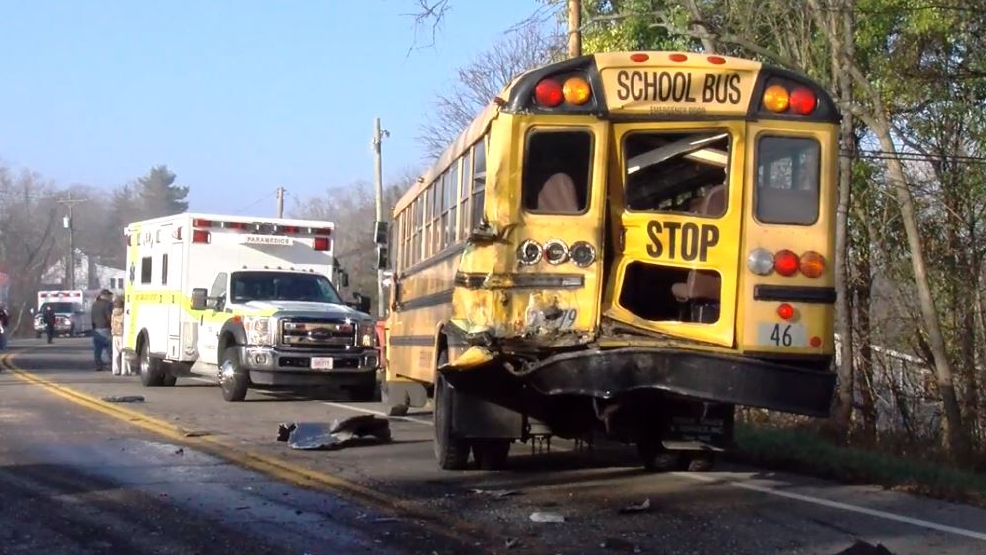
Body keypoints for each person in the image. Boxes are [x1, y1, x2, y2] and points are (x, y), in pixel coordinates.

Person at [91, 289, 113, 372]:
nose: (110, 297)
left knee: (98, 349)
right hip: (106, 328)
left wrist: (93, 327)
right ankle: (108, 364)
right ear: (106, 296)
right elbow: (109, 317)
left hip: (96, 328)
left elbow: (92, 317)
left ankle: (98, 365)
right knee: (108, 348)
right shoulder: (108, 305)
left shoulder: (94, 304)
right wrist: (111, 326)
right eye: (109, 296)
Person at [110, 296, 128, 376]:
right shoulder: (124, 314)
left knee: (115, 353)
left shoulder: (113, 313)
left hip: (115, 333)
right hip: (122, 334)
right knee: (124, 352)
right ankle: (124, 370)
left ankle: (115, 370)